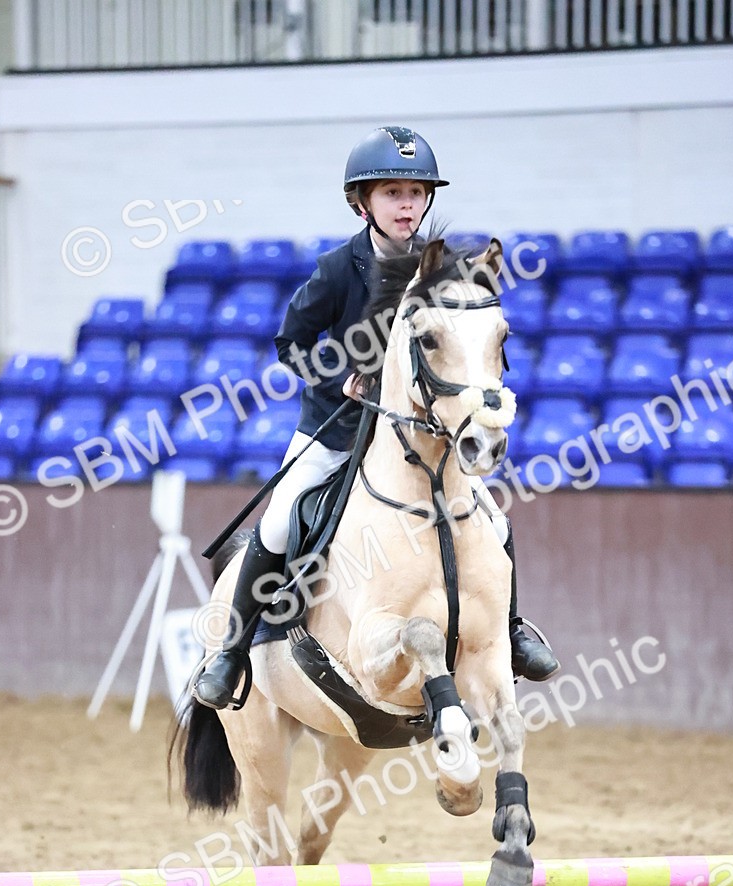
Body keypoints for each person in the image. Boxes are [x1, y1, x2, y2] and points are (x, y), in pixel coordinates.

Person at [194, 125, 558, 711]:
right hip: (335, 427)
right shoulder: (339, 268)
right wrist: (335, 374)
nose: (407, 205)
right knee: (280, 523)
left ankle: (510, 630)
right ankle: (231, 654)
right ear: (362, 202)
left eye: (415, 193)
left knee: (495, 521)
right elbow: (291, 341)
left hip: (417, 440)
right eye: (392, 193)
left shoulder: (442, 270)